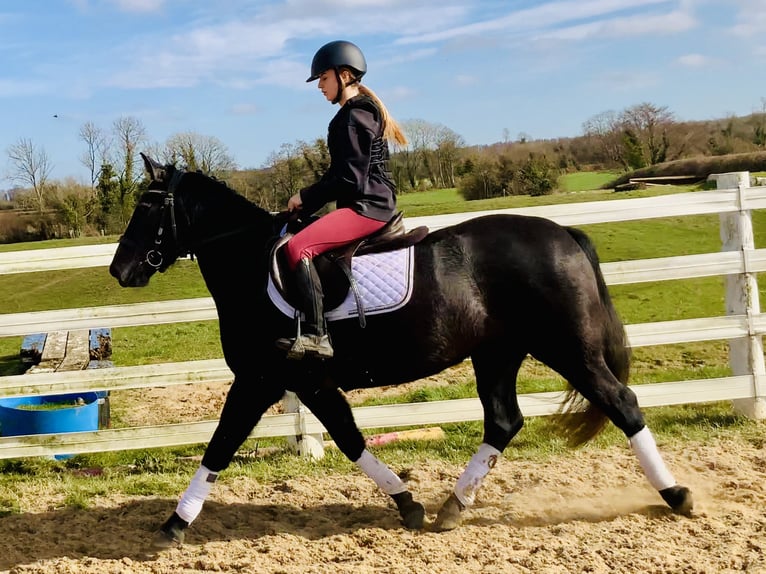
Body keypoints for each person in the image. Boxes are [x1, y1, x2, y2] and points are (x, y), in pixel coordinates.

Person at [275, 40, 408, 360]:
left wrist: (305, 196)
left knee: (297, 247)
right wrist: (306, 203)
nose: (319, 86)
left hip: (367, 208)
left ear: (344, 75)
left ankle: (318, 336)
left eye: (323, 78)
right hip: (367, 204)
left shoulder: (354, 115)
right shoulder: (358, 111)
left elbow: (349, 179)